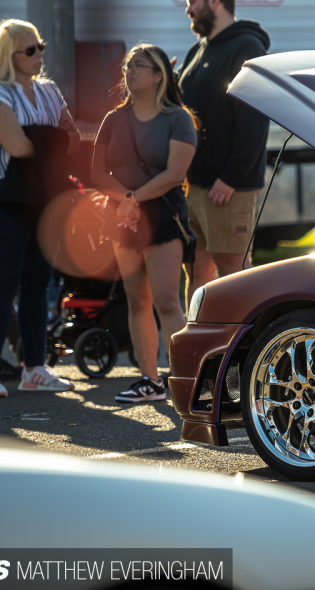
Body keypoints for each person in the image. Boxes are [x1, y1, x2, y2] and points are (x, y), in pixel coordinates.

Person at [0, 18, 79, 399]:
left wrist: (48, 138)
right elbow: (17, 146)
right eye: (30, 50)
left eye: (41, 46)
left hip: (44, 193)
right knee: (2, 282)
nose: (39, 54)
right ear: (7, 55)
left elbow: (72, 138)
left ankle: (35, 367)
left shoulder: (49, 90)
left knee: (37, 284)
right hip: (3, 194)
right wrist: (53, 139)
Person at [92, 44, 198, 403]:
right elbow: (97, 170)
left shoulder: (178, 118)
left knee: (167, 301)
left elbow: (174, 174)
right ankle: (149, 381)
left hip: (161, 215)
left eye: (139, 65)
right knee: (138, 300)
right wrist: (124, 201)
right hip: (123, 218)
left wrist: (134, 199)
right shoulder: (114, 119)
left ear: (159, 75)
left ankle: (187, 379)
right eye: (128, 65)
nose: (130, 70)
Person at [176, 0, 270, 301]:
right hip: (196, 185)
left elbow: (254, 118)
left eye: (193, 2)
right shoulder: (197, 50)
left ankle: (248, 351)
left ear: (215, 1)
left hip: (227, 189)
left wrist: (230, 176)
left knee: (233, 272)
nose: (188, 10)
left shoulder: (248, 46)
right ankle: (202, 350)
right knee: (197, 273)